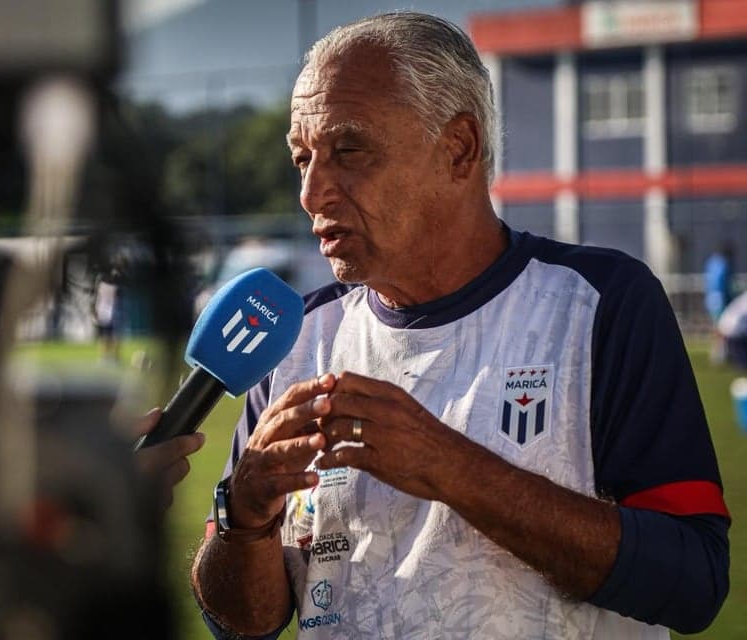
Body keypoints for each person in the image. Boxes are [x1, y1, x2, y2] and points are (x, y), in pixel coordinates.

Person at [191, 13, 730, 639]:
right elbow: (241, 624)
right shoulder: (296, 340)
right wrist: (245, 517)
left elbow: (693, 582)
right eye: (302, 158)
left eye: (349, 150)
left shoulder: (600, 303)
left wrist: (451, 468)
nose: (312, 192)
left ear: (459, 149)